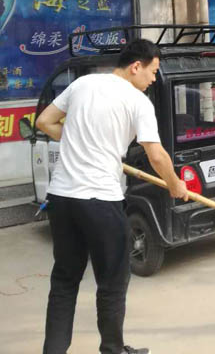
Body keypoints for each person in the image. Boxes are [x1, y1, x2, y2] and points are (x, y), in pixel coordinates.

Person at [36, 39, 189, 354]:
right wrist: (175, 184)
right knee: (113, 282)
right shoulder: (137, 101)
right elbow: (157, 155)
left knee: (64, 282)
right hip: (100, 201)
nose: (151, 81)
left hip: (62, 199)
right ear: (136, 66)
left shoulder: (82, 84)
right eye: (152, 72)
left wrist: (81, 140)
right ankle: (113, 350)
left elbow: (44, 122)